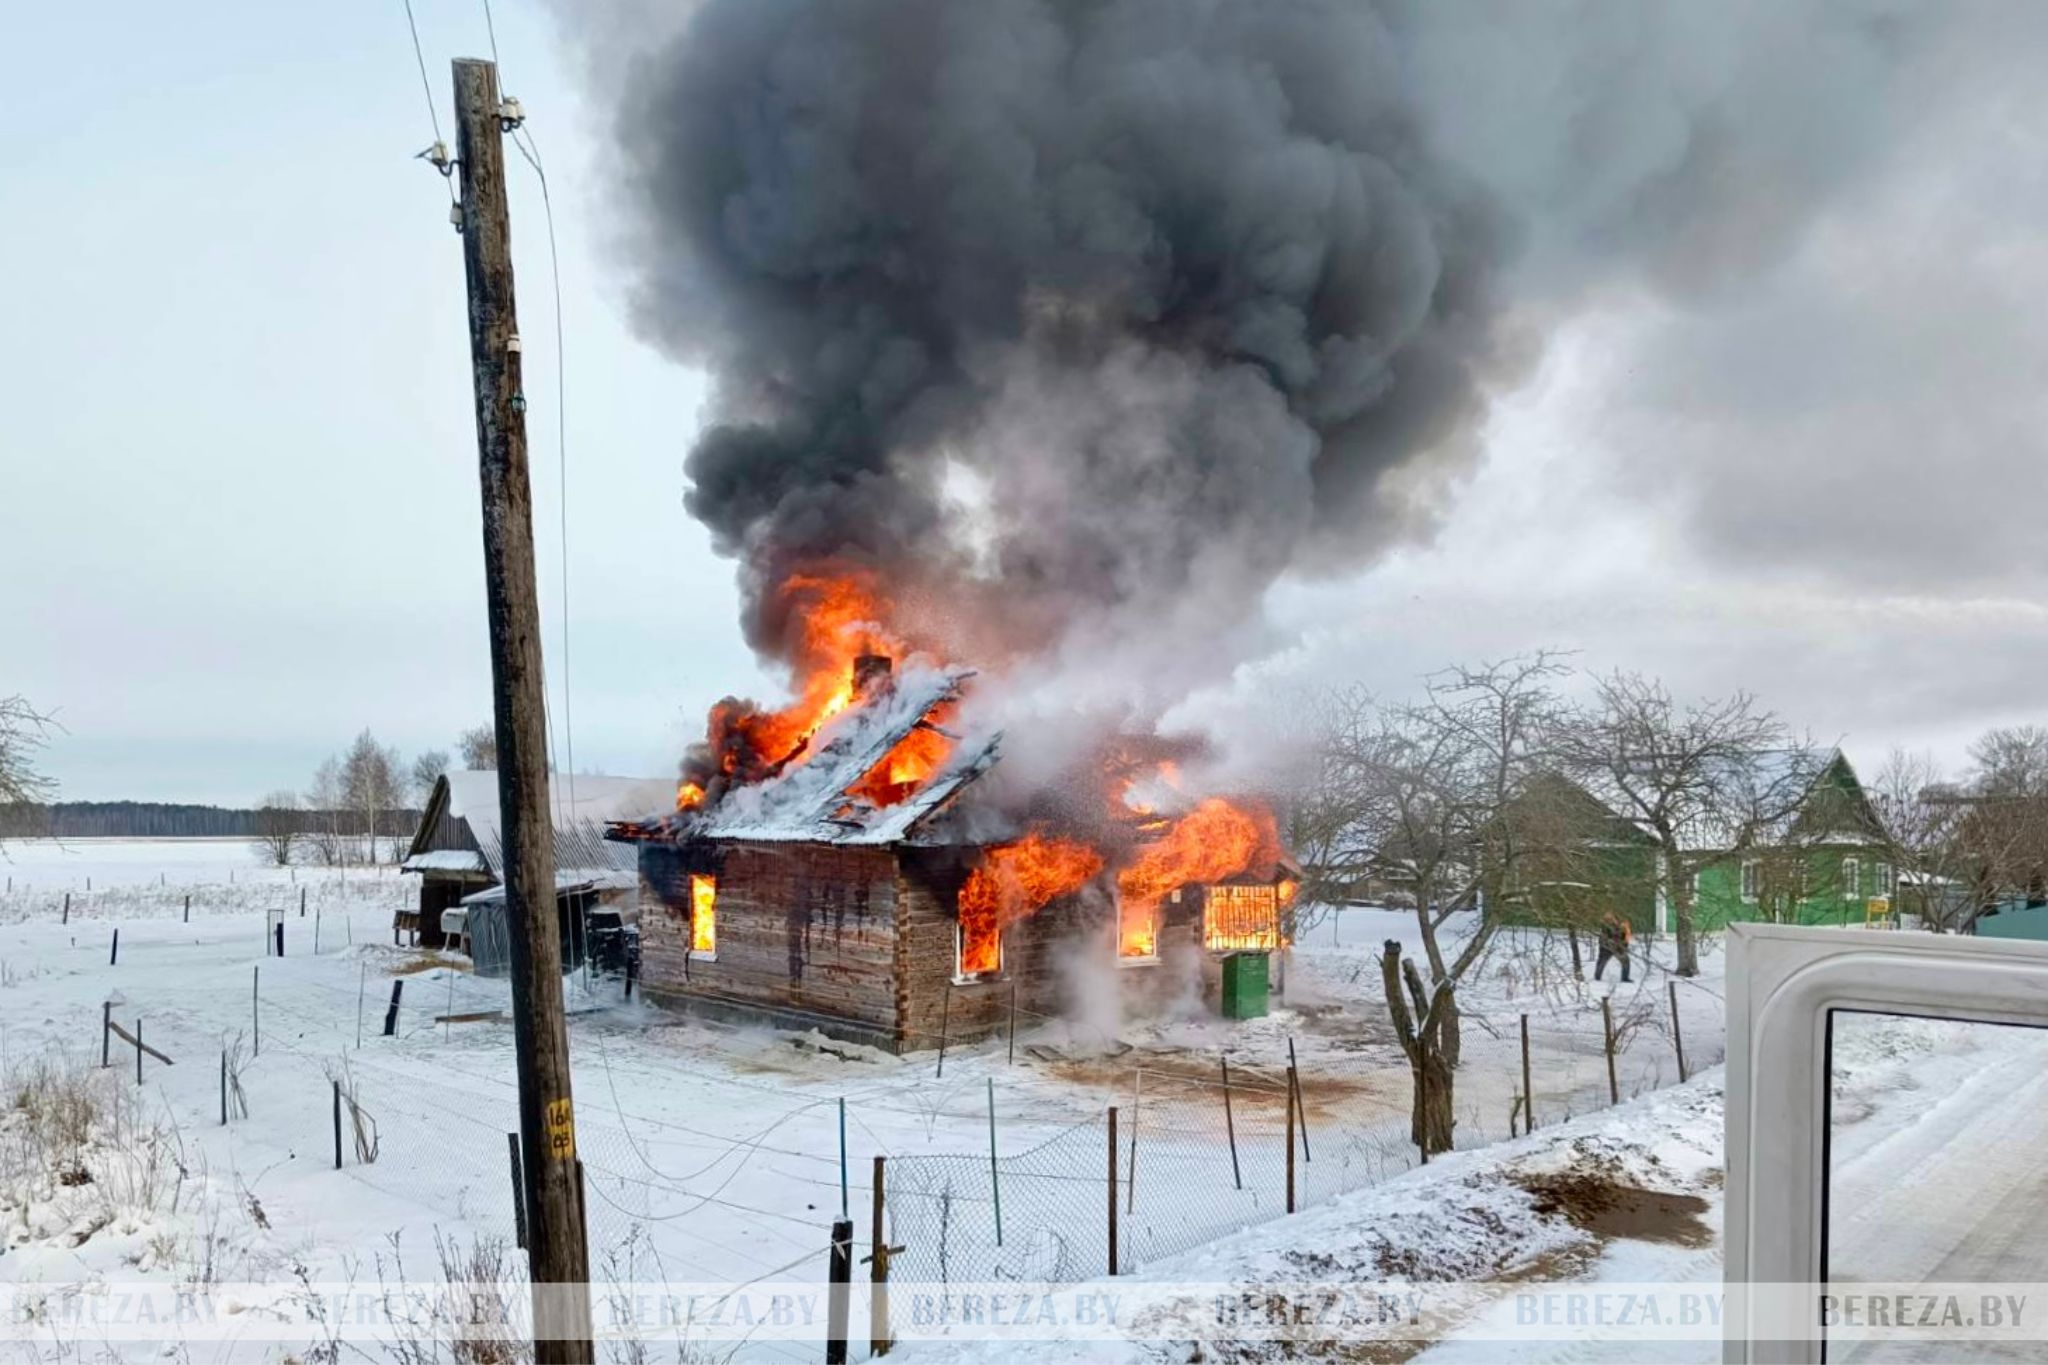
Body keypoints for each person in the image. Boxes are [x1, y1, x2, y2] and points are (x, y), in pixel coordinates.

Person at [1594, 913, 1632, 983]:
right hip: (1606, 947)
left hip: (1618, 947)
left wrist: (1623, 946)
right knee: (1602, 962)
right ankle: (1597, 977)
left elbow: (1625, 940)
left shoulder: (1623, 928)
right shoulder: (1606, 927)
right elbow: (1604, 938)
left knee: (1625, 961)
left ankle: (1625, 978)